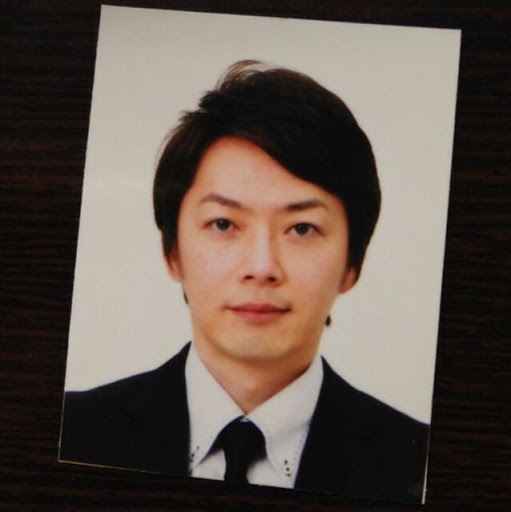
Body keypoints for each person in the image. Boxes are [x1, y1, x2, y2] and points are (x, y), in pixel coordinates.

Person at [60, 60, 429, 503]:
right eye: (223, 224)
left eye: (302, 228)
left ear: (353, 263)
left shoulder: (418, 462)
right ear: (172, 252)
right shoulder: (70, 432)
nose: (261, 266)